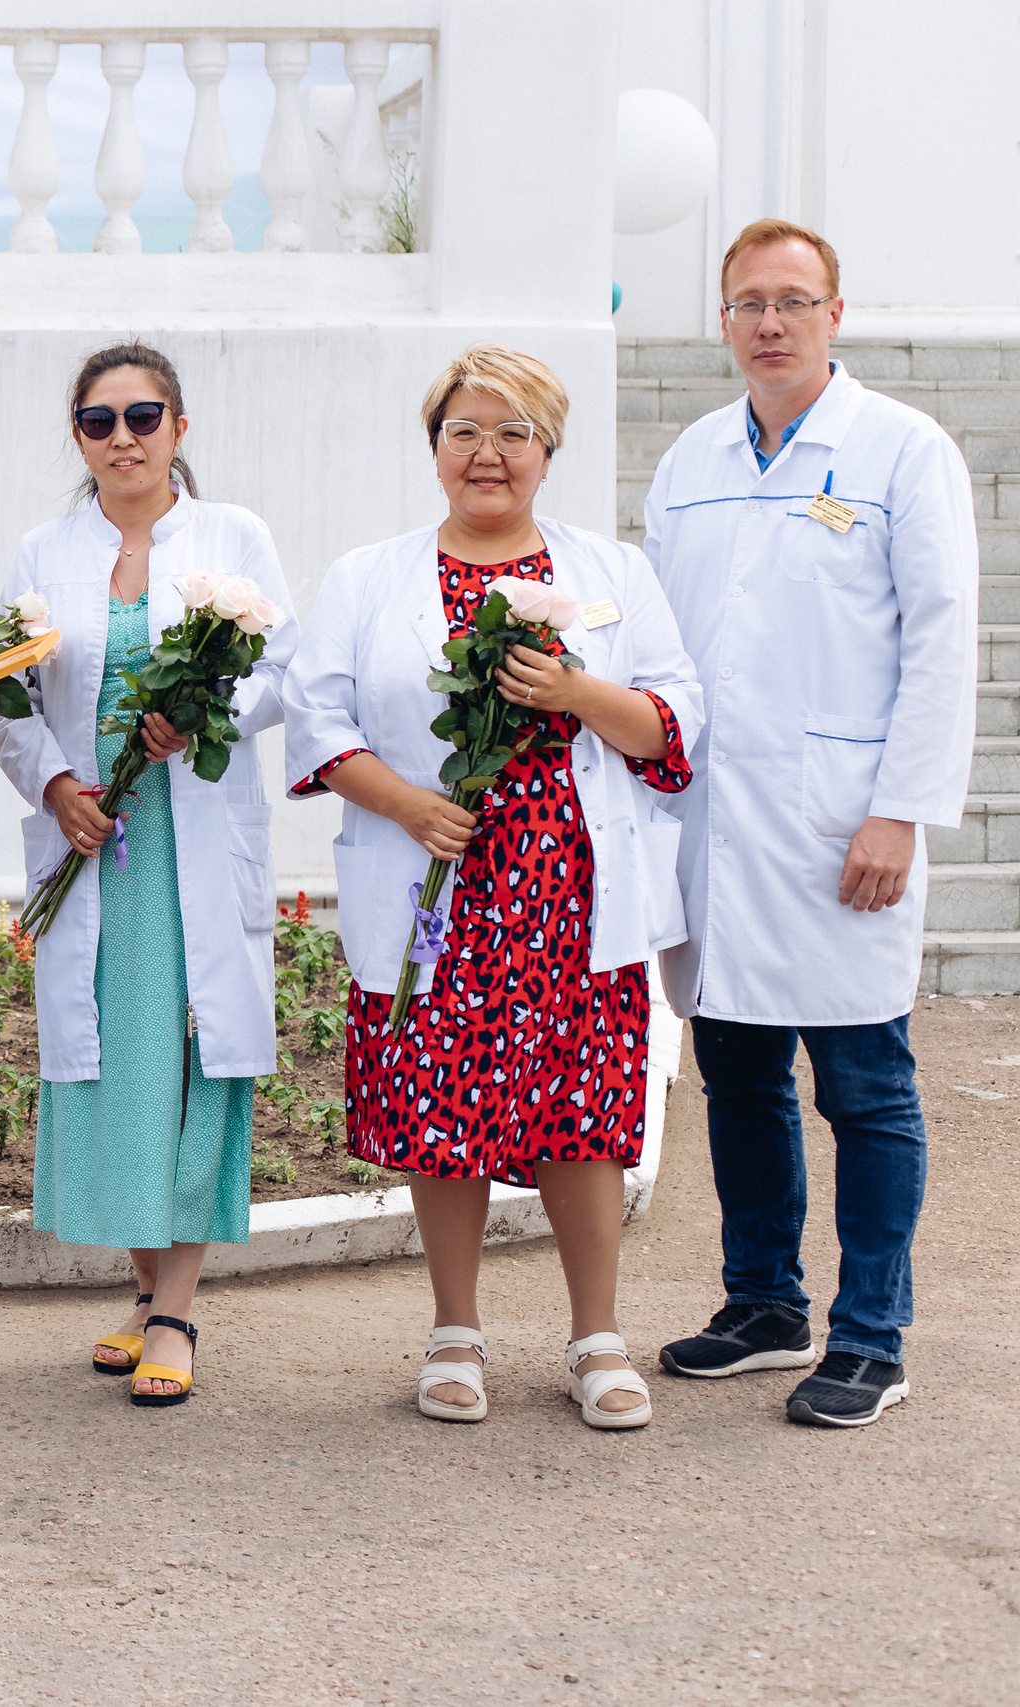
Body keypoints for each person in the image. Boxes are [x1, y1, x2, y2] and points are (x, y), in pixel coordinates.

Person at [283, 343, 702, 1432]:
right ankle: (454, 1331)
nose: (488, 454)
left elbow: (672, 721)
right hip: (438, 882)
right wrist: (406, 806)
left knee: (582, 1109)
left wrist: (575, 689)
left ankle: (595, 1337)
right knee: (440, 1107)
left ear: (547, 452)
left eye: (513, 434)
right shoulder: (368, 576)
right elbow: (318, 719)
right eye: (464, 431)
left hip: (569, 885)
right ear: (433, 449)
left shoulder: (612, 574)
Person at [642, 220, 980, 1429]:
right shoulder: (687, 459)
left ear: (835, 314)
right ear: (722, 321)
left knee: (863, 1084)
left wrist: (898, 812)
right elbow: (656, 647)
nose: (768, 323)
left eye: (792, 300)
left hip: (845, 829)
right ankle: (762, 1306)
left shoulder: (899, 450)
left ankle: (871, 1336)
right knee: (735, 1072)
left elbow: (944, 642)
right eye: (746, 303)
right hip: (714, 828)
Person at [0, 343, 295, 1407]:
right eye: (99, 421)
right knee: (113, 1064)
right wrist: (58, 784)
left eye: (143, 415)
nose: (123, 438)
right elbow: (5, 696)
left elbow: (281, 669)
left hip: (188, 833)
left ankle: (175, 1313)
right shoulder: (42, 549)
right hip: (93, 836)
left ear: (179, 428)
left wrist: (201, 717)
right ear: (78, 437)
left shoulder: (231, 536)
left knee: (191, 1056)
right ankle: (139, 1288)